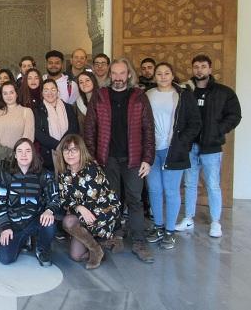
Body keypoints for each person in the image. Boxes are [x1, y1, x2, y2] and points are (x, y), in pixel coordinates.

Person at [84, 58, 156, 263]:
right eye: (114, 73)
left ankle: (139, 242)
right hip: (107, 159)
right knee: (112, 199)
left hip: (133, 158)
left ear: (128, 75)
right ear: (110, 75)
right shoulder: (100, 96)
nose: (117, 77)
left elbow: (148, 130)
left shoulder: (139, 97)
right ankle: (115, 235)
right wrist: (93, 158)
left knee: (135, 199)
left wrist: (147, 159)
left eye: (121, 73)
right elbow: (90, 129)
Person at [176, 54, 241, 237]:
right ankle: (188, 218)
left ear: (210, 69)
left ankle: (215, 222)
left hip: (211, 147)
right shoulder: (186, 91)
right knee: (189, 183)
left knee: (213, 184)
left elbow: (234, 115)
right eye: (196, 66)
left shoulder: (224, 92)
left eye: (203, 66)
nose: (199, 70)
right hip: (190, 146)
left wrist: (218, 131)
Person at [144, 63, 201, 249]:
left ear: (172, 74)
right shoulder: (147, 95)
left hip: (173, 150)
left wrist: (182, 142)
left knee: (171, 190)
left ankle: (169, 230)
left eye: (166, 73)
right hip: (152, 150)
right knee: (154, 189)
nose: (162, 76)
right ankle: (158, 226)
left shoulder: (184, 96)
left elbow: (195, 122)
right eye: (159, 73)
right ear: (154, 76)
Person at [57, 134, 120, 269]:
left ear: (81, 151)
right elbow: (63, 199)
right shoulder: (64, 173)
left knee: (68, 221)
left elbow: (91, 204)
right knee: (76, 256)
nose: (70, 153)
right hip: (82, 214)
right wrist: (78, 207)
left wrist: (76, 208)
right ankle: (99, 248)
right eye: (66, 150)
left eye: (74, 149)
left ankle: (98, 247)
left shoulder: (91, 169)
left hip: (101, 214)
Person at [0, 138, 60, 266]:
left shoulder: (44, 174)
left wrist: (49, 210)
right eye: (19, 151)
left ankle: (42, 249)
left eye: (28, 151)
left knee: (49, 224)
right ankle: (24, 240)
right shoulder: (5, 175)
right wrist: (5, 227)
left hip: (35, 221)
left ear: (33, 154)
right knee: (5, 259)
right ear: (15, 155)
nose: (24, 155)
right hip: (14, 225)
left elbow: (55, 197)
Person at [0, 82, 35, 175]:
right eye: (5, 93)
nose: (8, 96)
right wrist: (8, 154)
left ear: (17, 93)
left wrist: (14, 156)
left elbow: (28, 140)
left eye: (11, 92)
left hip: (19, 162)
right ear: (2, 95)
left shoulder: (26, 112)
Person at [33, 79, 79, 171]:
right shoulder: (37, 110)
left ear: (58, 91)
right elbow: (38, 133)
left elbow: (74, 127)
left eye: (53, 89)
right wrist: (58, 146)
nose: (50, 93)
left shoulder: (68, 107)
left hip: (69, 152)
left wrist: (64, 145)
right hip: (48, 155)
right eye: (46, 90)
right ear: (42, 93)